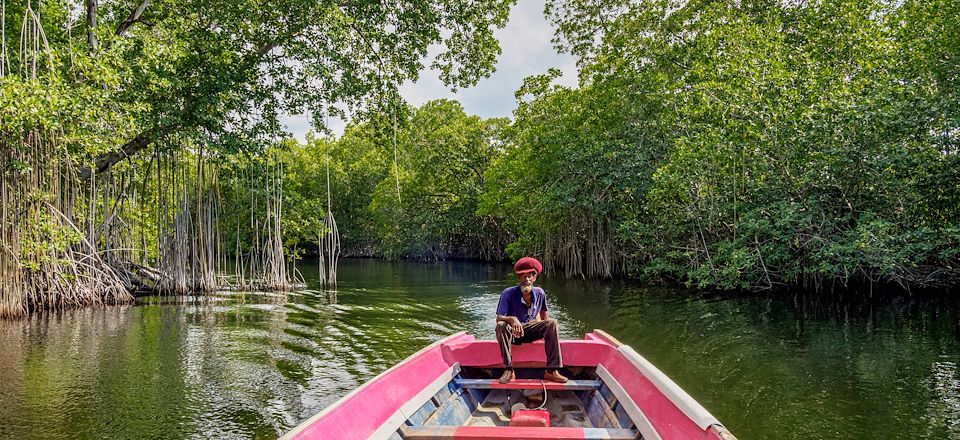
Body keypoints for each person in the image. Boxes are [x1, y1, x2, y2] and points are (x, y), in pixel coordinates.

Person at [495, 257, 568, 384]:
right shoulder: (508, 293)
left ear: (534, 278)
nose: (527, 279)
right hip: (513, 333)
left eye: (530, 276)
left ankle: (552, 371)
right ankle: (508, 369)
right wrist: (512, 319)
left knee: (552, 323)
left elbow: (544, 316)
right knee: (501, 325)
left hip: (530, 331)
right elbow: (499, 318)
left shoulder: (540, 293)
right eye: (523, 276)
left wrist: (549, 335)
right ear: (519, 278)